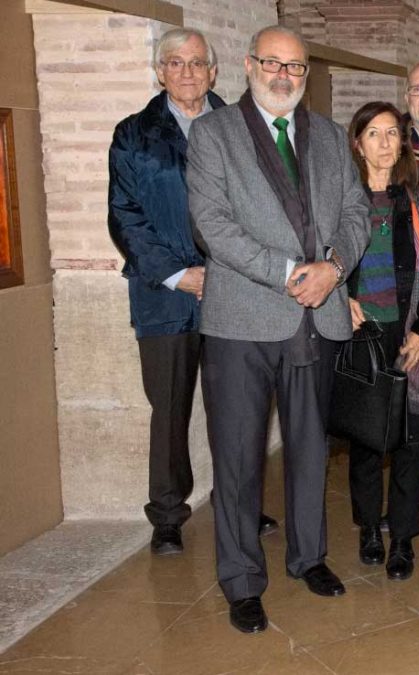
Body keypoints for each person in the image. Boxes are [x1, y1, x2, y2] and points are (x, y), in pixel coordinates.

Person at [186, 25, 369, 634]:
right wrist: (294, 273)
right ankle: (241, 579)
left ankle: (309, 557)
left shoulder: (329, 135)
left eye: (296, 66)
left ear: (307, 71)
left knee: (311, 446)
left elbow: (356, 212)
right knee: (238, 457)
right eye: (272, 63)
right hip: (242, 320)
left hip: (315, 316)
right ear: (247, 65)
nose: (284, 75)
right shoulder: (213, 134)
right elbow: (213, 225)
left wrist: (335, 269)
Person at [107, 27, 277, 556]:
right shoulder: (134, 134)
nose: (187, 72)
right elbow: (125, 218)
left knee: (239, 408)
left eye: (197, 63)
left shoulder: (243, 128)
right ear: (160, 72)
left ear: (213, 71)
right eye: (175, 63)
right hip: (165, 297)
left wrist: (229, 270)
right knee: (170, 408)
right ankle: (166, 515)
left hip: (236, 290)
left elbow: (263, 207)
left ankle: (241, 502)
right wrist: (183, 275)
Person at [344, 101, 419, 582]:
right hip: (359, 332)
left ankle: (402, 539)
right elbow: (321, 256)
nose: (384, 142)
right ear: (357, 143)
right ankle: (367, 531)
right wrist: (340, 297)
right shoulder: (342, 199)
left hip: (408, 332)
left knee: (407, 441)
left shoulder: (417, 200)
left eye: (392, 133)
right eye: (373, 134)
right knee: (364, 440)